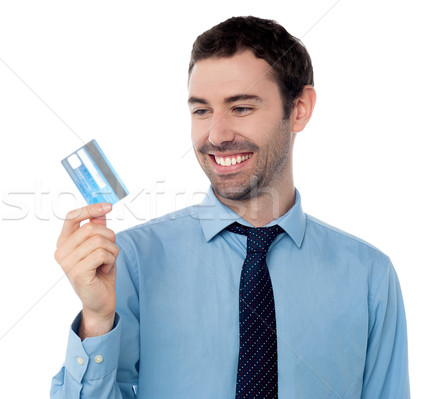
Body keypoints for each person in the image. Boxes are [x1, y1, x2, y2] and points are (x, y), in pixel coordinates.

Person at [50, 16, 410, 398]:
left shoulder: (370, 277)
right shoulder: (132, 262)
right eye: (202, 111)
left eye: (241, 108)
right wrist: (97, 321)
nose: (216, 135)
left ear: (300, 108)